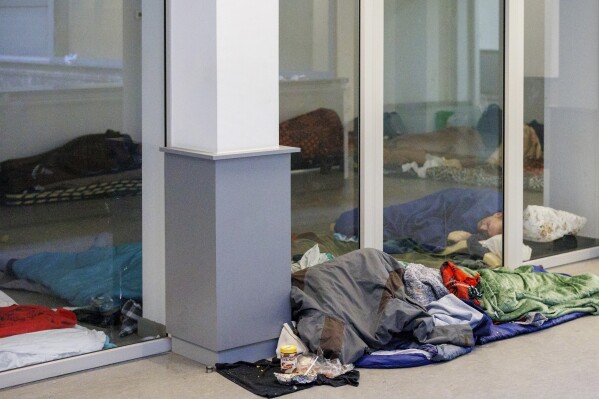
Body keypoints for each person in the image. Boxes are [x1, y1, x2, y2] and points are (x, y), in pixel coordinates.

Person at [334, 188, 503, 252]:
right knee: (398, 218)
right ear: (498, 214)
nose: (482, 229)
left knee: (399, 227)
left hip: (433, 217)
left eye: (486, 233)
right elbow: (452, 231)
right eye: (488, 225)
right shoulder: (489, 204)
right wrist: (451, 237)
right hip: (434, 208)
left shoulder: (491, 214)